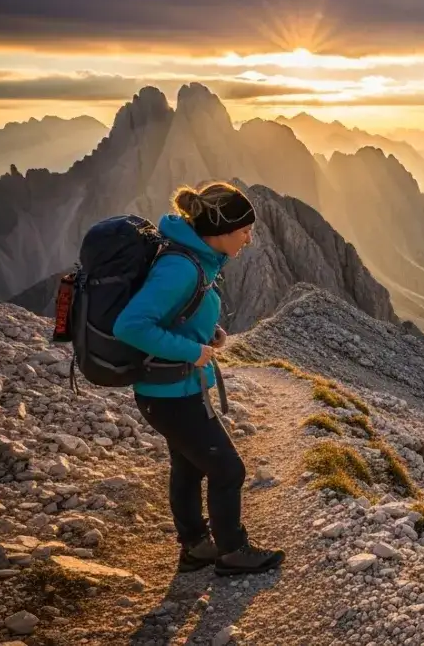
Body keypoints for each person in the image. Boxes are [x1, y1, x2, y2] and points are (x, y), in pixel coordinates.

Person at [113, 182, 284, 576]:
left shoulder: (197, 258)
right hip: (172, 393)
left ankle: (195, 549)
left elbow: (176, 316)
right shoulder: (180, 266)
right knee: (228, 470)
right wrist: (192, 352)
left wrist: (206, 336)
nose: (249, 238)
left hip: (171, 389)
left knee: (188, 467)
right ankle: (232, 551)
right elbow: (131, 325)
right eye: (244, 230)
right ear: (221, 231)